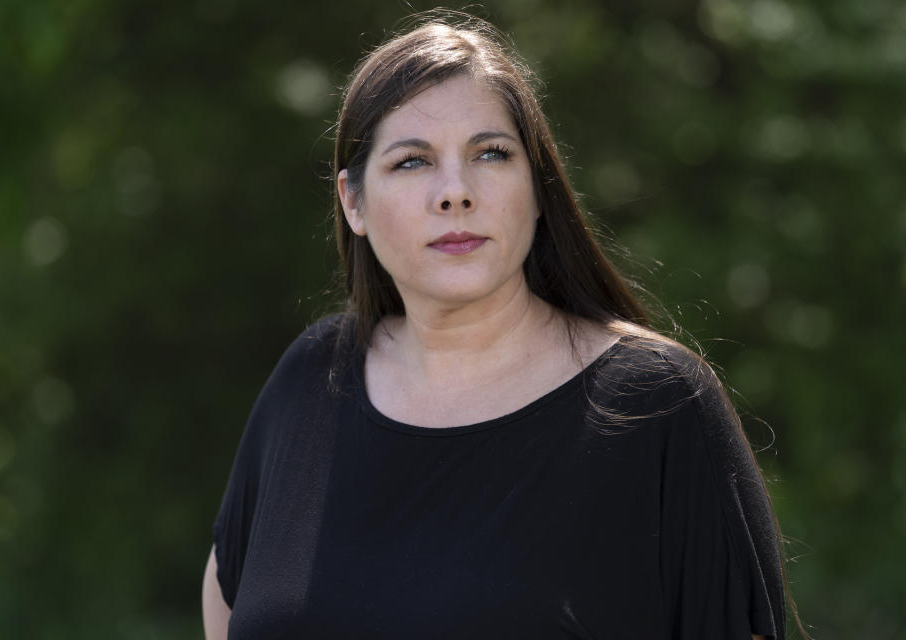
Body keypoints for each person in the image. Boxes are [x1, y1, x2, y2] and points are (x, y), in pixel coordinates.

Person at [202, 11, 800, 640]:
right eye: (412, 162)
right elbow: (228, 610)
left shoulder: (657, 405)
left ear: (538, 188)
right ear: (354, 202)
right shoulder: (309, 379)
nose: (455, 192)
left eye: (490, 154)